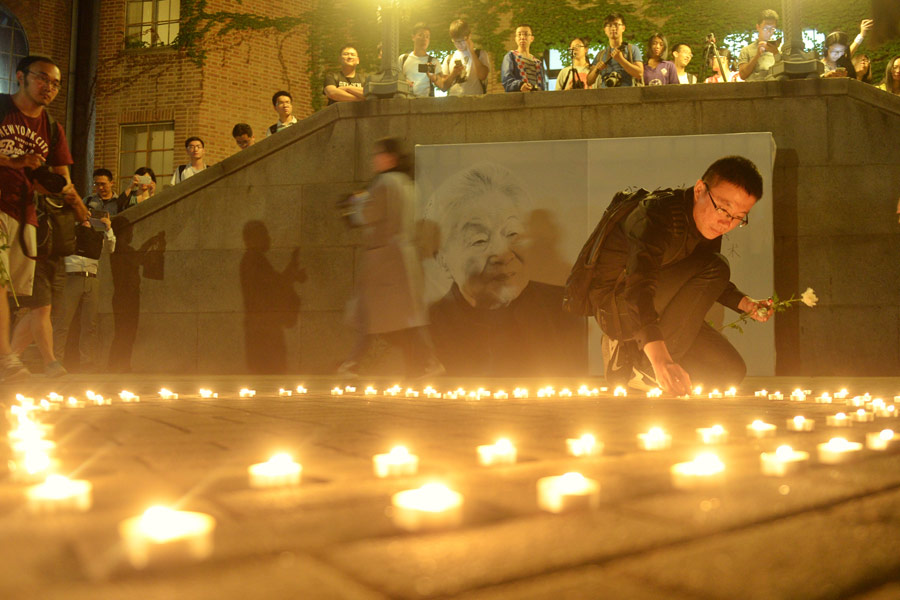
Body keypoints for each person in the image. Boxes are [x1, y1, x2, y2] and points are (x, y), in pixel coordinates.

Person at [585, 156, 771, 394]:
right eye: (723, 208)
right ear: (700, 189)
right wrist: (661, 358)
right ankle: (637, 359)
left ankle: (638, 362)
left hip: (660, 308)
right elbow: (638, 287)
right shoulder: (656, 216)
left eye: (738, 217)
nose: (726, 222)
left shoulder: (708, 224)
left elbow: (700, 270)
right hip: (621, 307)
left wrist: (744, 303)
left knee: (729, 373)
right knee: (718, 266)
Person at [424, 162, 587, 377]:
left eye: (513, 233)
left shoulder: (564, 309)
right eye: (479, 239)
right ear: (442, 259)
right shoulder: (430, 325)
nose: (502, 253)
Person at [0, 55, 88, 380]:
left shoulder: (51, 128)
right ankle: (6, 359)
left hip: (25, 217)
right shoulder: (2, 109)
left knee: (14, 293)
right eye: (42, 78)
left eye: (55, 83)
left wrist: (79, 208)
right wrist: (13, 162)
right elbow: (17, 162)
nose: (48, 87)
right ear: (20, 76)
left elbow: (62, 179)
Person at [335, 138, 444, 379]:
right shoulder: (408, 184)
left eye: (379, 154)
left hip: (384, 260)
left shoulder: (384, 182)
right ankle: (425, 362)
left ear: (390, 157)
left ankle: (353, 364)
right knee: (406, 317)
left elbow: (366, 214)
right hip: (403, 258)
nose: (375, 159)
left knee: (373, 316)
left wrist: (351, 203)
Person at [53, 169, 116, 372]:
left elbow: (111, 248)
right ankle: (56, 361)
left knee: (90, 324)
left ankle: (86, 361)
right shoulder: (71, 226)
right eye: (85, 212)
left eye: (91, 214)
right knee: (63, 322)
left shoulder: (99, 230)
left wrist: (108, 229)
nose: (88, 217)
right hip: (71, 276)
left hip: (92, 277)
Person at [586, 13, 644, 88]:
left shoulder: (632, 49)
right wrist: (596, 69)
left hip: (628, 96)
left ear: (623, 28)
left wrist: (621, 60)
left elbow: (639, 74)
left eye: (616, 25)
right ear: (605, 30)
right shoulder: (601, 54)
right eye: (609, 25)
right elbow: (589, 81)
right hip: (605, 96)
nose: (613, 28)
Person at [441, 20, 491, 96]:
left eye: (462, 41)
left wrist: (471, 52)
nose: (459, 44)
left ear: (469, 36)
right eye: (456, 41)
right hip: (454, 102)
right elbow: (443, 87)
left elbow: (483, 76)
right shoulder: (449, 58)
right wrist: (453, 74)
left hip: (475, 100)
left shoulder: (480, 54)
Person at [399, 23, 443, 98]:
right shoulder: (403, 59)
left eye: (427, 36)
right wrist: (403, 82)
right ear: (413, 37)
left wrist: (433, 77)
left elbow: (442, 85)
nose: (424, 39)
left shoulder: (433, 61)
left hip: (426, 102)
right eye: (420, 35)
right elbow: (395, 78)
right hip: (406, 102)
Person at [501, 24, 547, 92]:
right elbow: (507, 80)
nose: (522, 37)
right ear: (515, 38)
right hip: (518, 99)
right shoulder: (511, 56)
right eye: (519, 34)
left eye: (526, 34)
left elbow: (543, 86)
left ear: (531, 38)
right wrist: (520, 85)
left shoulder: (538, 63)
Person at [738, 9, 780, 81]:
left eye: (772, 28)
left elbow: (785, 73)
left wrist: (776, 53)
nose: (769, 31)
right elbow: (742, 75)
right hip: (753, 90)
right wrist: (757, 55)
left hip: (774, 89)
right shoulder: (746, 50)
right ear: (758, 27)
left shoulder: (780, 50)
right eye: (766, 28)